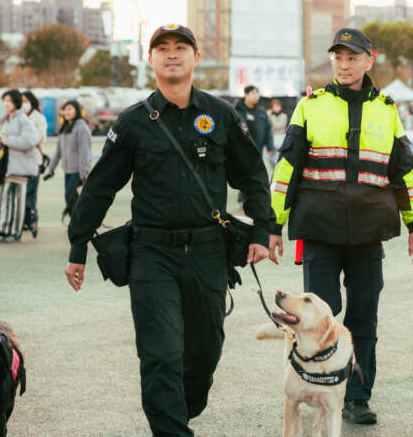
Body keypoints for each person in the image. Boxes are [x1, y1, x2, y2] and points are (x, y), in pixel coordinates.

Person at [65, 24, 273, 436]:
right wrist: (78, 246)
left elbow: (252, 175)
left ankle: (179, 412)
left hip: (209, 250)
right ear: (151, 60)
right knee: (160, 354)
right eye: (163, 48)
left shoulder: (221, 115)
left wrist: (262, 232)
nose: (172, 54)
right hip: (151, 252)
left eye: (181, 47)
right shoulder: (133, 122)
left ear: (195, 57)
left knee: (204, 353)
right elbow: (101, 186)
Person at [268, 27, 413, 426]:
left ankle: (356, 396)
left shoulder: (387, 110)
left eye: (352, 57)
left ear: (369, 60)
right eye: (338, 56)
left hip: (369, 233)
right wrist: (273, 225)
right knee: (317, 316)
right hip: (320, 230)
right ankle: (310, 386)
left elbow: (405, 173)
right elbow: (286, 169)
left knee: (363, 318)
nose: (344, 63)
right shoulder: (310, 106)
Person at [0, 90, 39, 243]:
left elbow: (31, 139)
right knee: (8, 200)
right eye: (4, 100)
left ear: (16, 102)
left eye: (9, 100)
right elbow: (3, 135)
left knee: (17, 202)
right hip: (10, 168)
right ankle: (7, 229)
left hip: (20, 168)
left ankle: (15, 232)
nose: (6, 103)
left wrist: (7, 141)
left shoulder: (22, 119)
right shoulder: (10, 119)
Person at [44, 99, 93, 223]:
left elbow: (85, 152)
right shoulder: (65, 129)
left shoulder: (82, 128)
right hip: (68, 170)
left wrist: (84, 172)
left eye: (70, 109)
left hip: (78, 171)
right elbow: (58, 152)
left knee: (73, 197)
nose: (66, 112)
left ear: (77, 111)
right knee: (69, 197)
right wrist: (51, 168)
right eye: (65, 109)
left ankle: (79, 224)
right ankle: (75, 223)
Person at [20, 90, 47, 238]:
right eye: (21, 100)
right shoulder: (17, 117)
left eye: (26, 100)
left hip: (34, 160)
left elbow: (38, 138)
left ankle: (31, 219)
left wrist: (23, 140)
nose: (24, 103)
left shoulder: (39, 118)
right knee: (21, 192)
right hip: (19, 162)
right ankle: (23, 220)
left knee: (30, 193)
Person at [236, 85, 274, 157]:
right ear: (246, 95)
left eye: (257, 93)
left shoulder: (261, 111)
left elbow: (268, 130)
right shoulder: (237, 111)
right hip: (241, 151)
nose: (256, 96)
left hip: (258, 150)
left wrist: (270, 148)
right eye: (253, 93)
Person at [267, 98, 289, 169]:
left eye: (278, 106)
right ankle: (274, 171)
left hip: (281, 138)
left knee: (280, 158)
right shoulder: (270, 116)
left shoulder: (284, 116)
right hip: (272, 138)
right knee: (270, 159)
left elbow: (278, 126)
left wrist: (269, 116)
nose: (276, 108)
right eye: (274, 106)